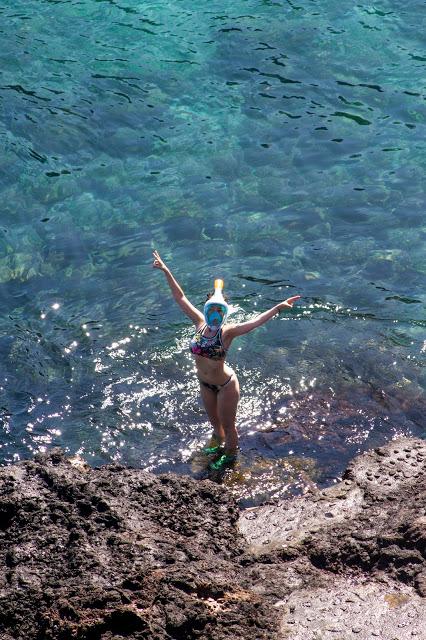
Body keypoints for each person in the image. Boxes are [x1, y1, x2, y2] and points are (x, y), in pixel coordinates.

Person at [152, 250, 301, 471]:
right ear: (206, 309)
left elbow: (255, 322)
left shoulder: (227, 332)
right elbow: (180, 297)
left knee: (229, 426)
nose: (213, 315)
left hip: (225, 385)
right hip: (205, 384)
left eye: (218, 311)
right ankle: (218, 445)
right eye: (210, 310)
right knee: (215, 425)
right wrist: (166, 271)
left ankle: (231, 457)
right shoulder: (199, 322)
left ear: (224, 313)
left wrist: (278, 307)